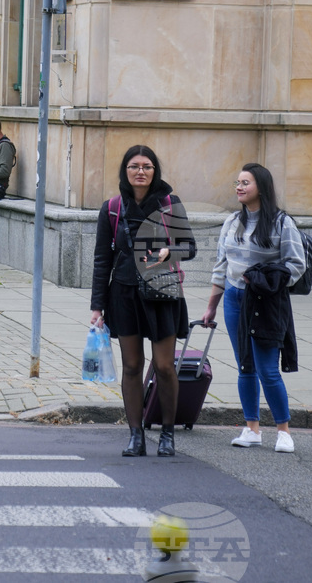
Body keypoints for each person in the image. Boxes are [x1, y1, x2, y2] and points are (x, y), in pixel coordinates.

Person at [90, 145, 196, 457]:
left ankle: (166, 434)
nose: (141, 171)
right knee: (132, 365)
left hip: (162, 293)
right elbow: (101, 260)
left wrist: (169, 252)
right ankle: (135, 435)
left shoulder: (168, 204)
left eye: (147, 166)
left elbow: (189, 247)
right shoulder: (112, 208)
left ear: (155, 171)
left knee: (164, 366)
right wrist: (97, 306)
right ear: (125, 171)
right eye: (134, 166)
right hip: (123, 294)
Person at [201, 163, 305, 454]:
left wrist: (266, 279)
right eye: (237, 182)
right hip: (235, 299)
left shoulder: (281, 223)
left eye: (245, 182)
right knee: (245, 366)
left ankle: (283, 432)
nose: (239, 187)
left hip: (265, 303)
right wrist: (211, 307)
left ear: (261, 186)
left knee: (267, 369)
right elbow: (221, 267)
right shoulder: (232, 222)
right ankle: (252, 429)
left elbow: (296, 265)